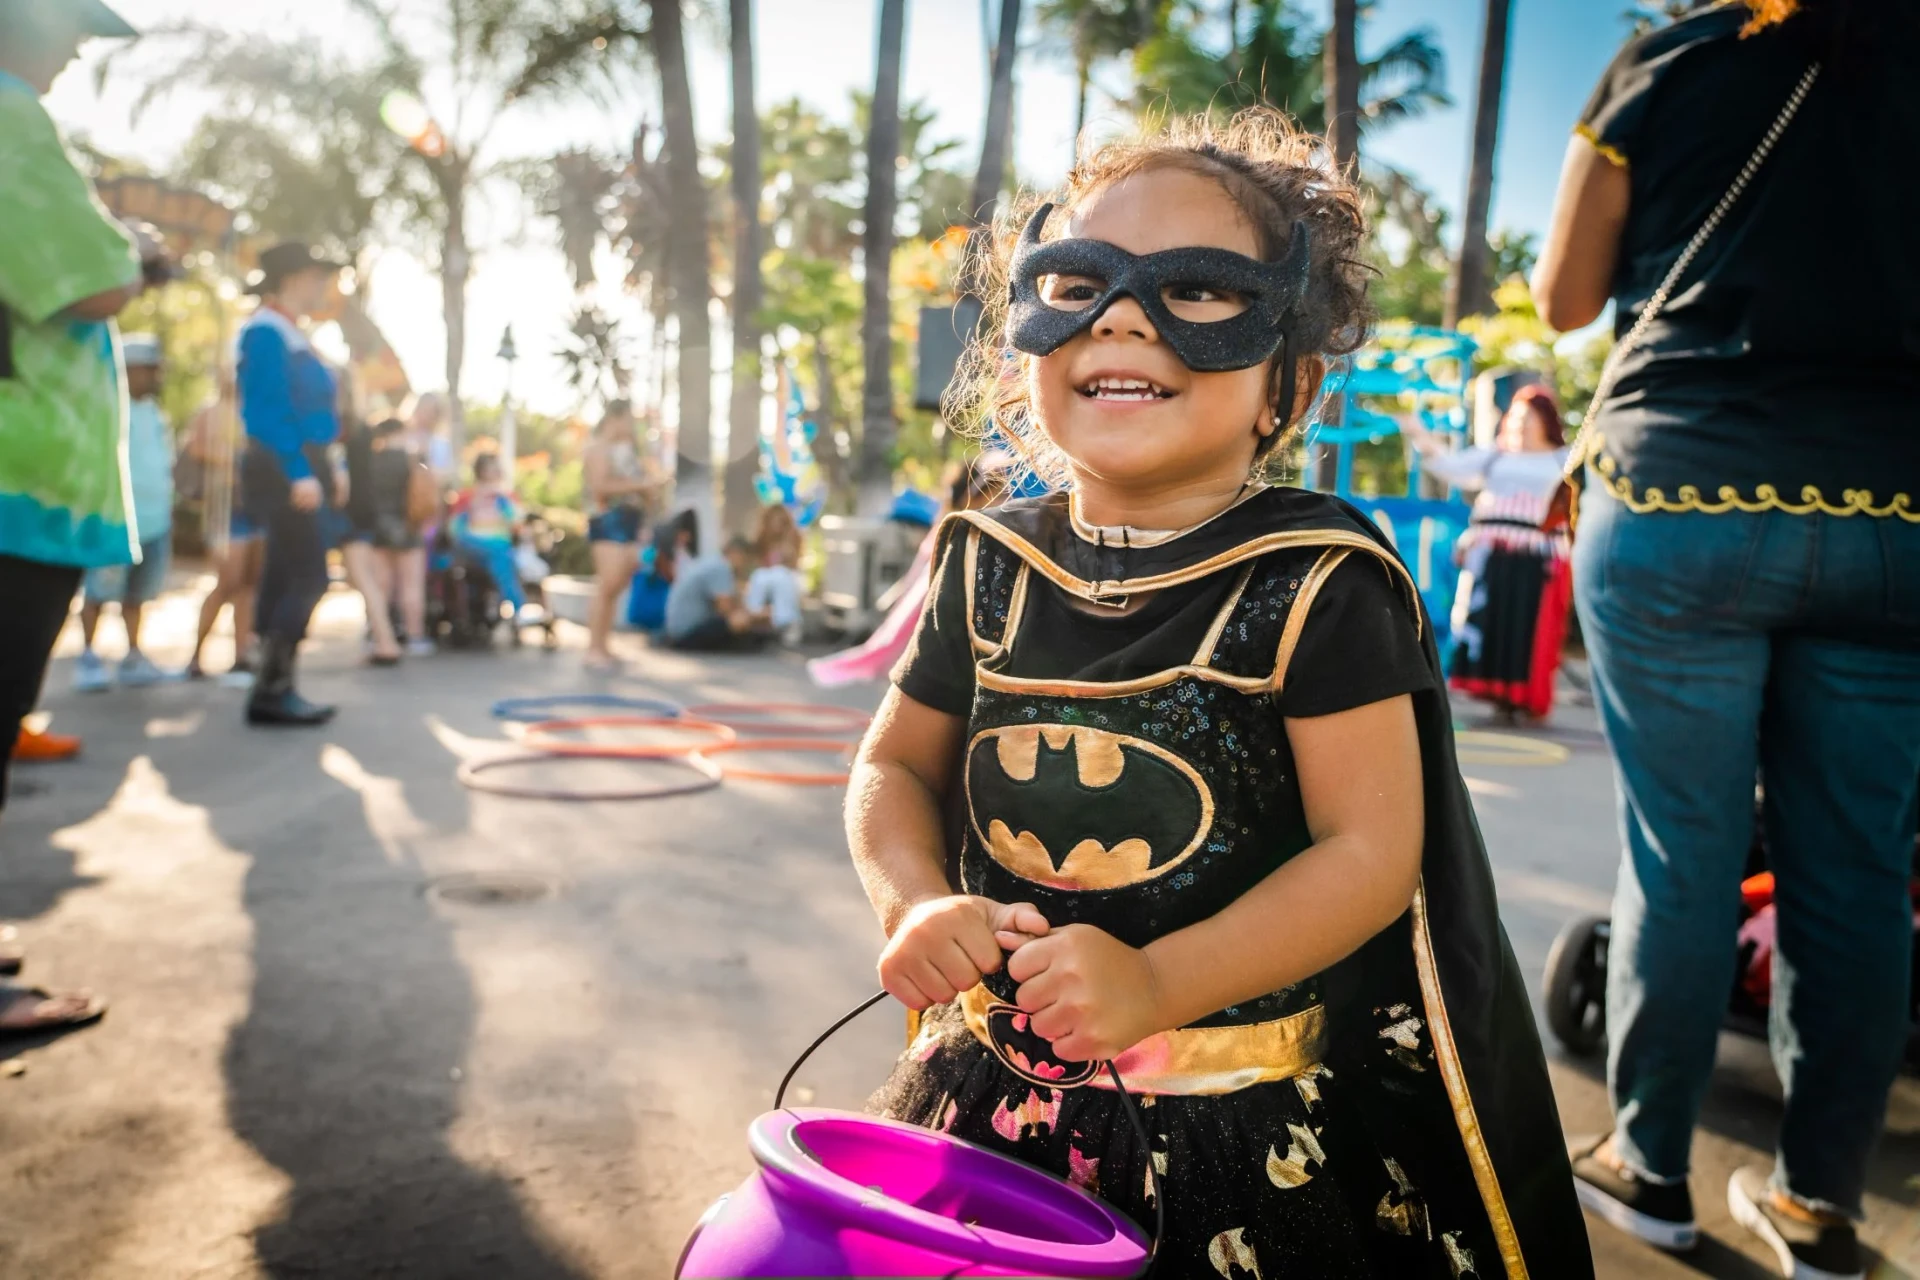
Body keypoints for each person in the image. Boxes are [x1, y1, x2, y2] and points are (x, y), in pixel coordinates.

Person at [847, 109, 1590, 1277]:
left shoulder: (1316, 585)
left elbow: (1368, 850)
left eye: (1196, 291)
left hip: (1229, 1126)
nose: (1126, 314)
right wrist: (911, 901)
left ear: (1283, 382)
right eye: (1080, 279)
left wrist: (1157, 979)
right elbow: (895, 765)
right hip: (990, 1097)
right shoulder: (986, 562)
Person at [1533, 4, 1920, 1276]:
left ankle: (1648, 1164)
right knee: (1859, 875)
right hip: (1896, 514)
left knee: (1682, 851)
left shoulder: (1676, 52)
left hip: (1681, 494)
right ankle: (1820, 1209)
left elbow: (1564, 299)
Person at [0, 0, 142, 1037]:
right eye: (72, 32)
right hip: (21, 472)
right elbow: (96, 280)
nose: (77, 55)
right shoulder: (8, 112)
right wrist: (132, 249)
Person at [1404, 384, 1572, 722]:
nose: (1521, 426)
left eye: (1530, 419)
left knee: (1525, 626)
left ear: (1545, 422)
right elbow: (1447, 466)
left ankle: (1522, 698)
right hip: (1491, 555)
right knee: (1488, 622)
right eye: (1516, 418)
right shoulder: (1494, 456)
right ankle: (1497, 696)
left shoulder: (1563, 459)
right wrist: (1418, 432)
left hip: (1537, 556)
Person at [237, 242, 346, 726]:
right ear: (295, 277)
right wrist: (299, 471)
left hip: (305, 462)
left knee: (286, 571)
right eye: (318, 274)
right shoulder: (266, 332)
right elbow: (266, 411)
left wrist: (332, 464)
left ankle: (274, 685)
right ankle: (271, 688)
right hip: (284, 466)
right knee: (308, 575)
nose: (324, 284)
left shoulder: (289, 332)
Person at [71, 333, 176, 691]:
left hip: (154, 519)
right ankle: (87, 655)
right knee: (99, 592)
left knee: (138, 595)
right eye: (148, 369)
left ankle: (132, 656)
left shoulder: (155, 413)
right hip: (113, 518)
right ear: (129, 370)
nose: (155, 376)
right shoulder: (107, 407)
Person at [184, 372, 266, 681]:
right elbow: (195, 448)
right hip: (225, 508)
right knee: (228, 582)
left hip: (254, 506)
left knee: (249, 583)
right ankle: (195, 656)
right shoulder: (210, 412)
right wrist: (232, 458)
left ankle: (241, 654)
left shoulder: (254, 411)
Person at [581, 399, 663, 670]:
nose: (632, 425)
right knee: (607, 584)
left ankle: (604, 646)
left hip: (629, 522)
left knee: (616, 587)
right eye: (628, 419)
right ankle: (593, 649)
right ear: (614, 419)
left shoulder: (626, 451)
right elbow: (600, 487)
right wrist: (641, 484)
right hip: (608, 522)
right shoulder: (598, 448)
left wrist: (649, 488)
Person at [341, 416, 425, 665]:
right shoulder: (412, 459)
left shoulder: (372, 461)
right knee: (411, 585)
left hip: (378, 527)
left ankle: (378, 634)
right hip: (408, 526)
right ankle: (415, 636)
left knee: (381, 585)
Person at [449, 452, 527, 621]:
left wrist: (501, 500)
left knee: (501, 557)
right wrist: (476, 502)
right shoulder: (467, 496)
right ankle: (518, 607)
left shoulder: (506, 497)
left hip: (499, 546)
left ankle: (512, 607)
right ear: (482, 471)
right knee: (501, 553)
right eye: (493, 467)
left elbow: (517, 524)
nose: (498, 470)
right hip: (472, 545)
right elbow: (454, 529)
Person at [661, 535, 773, 653]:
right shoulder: (721, 568)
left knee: (743, 622)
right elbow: (726, 610)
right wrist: (757, 615)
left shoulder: (711, 561)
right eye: (745, 560)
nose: (744, 566)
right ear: (736, 553)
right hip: (686, 634)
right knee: (739, 621)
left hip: (677, 631)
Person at [745, 501, 805, 641]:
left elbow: (793, 566)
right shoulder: (760, 540)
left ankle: (786, 622)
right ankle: (753, 617)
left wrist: (786, 551)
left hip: (786, 577)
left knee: (781, 576)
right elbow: (755, 566)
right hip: (765, 577)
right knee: (759, 577)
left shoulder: (793, 538)